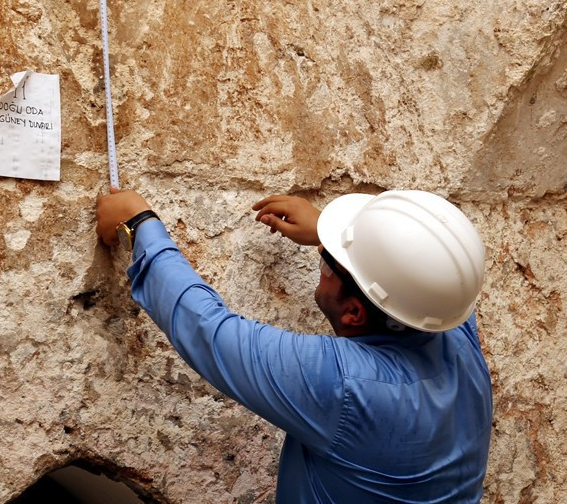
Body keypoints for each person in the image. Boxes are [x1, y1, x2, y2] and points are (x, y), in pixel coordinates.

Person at [96, 186, 492, 504]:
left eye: (327, 264)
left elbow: (209, 330)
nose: (322, 255)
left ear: (354, 312)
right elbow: (421, 270)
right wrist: (332, 233)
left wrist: (139, 221)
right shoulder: (454, 330)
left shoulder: (345, 385)